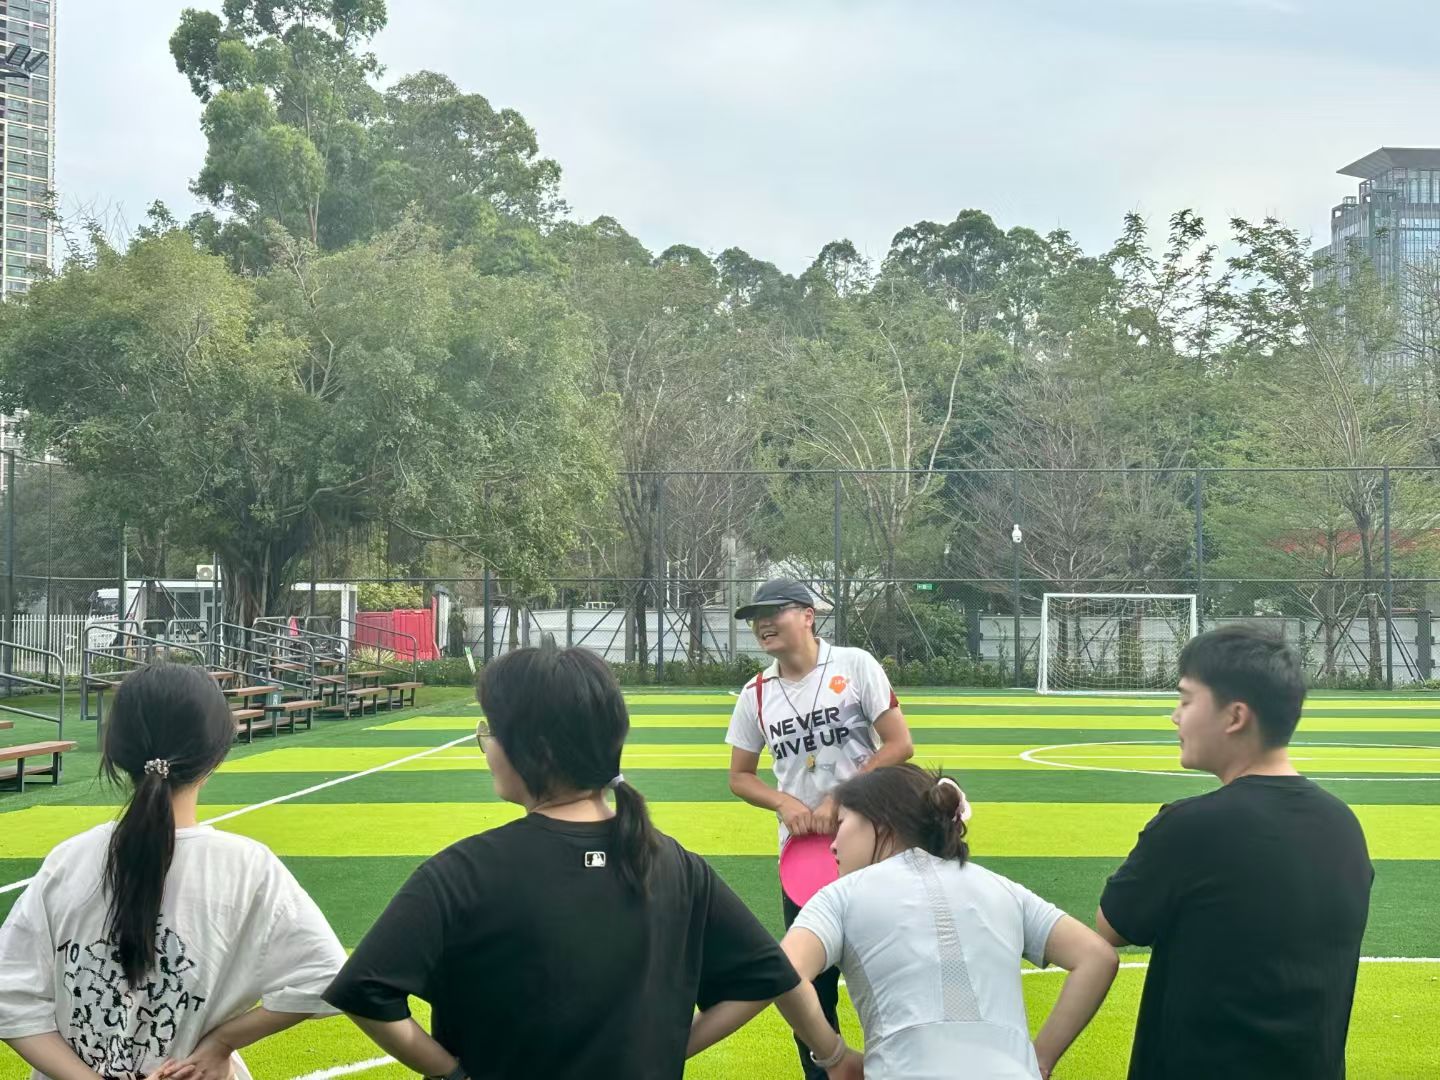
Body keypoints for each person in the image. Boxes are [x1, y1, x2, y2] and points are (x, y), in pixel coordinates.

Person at [325, 644, 860, 1080]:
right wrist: (666, 1050)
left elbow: (365, 989)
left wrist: (450, 1073)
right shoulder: (675, 864)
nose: (486, 747)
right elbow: (764, 976)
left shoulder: (464, 872)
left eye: (491, 731)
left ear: (537, 750)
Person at [0, 663, 346, 1080]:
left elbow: (10, 995)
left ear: (115, 748)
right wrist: (224, 1041)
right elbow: (328, 977)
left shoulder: (68, 860)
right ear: (217, 752)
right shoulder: (248, 868)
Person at [1096, 624, 1374, 1079]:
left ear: (1235, 716)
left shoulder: (1190, 826)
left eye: (1186, 701)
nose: (1175, 717)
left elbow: (1112, 926)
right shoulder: (1344, 824)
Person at [758, 763, 1117, 1079]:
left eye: (841, 823)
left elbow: (783, 972)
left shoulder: (840, 896)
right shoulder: (1002, 888)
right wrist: (1038, 1061)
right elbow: (1097, 957)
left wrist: (835, 1057)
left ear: (881, 822)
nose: (832, 845)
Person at [726, 577, 919, 1079]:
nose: (762, 624)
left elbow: (899, 744)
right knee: (810, 984)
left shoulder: (854, 665)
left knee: (894, 971)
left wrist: (843, 795)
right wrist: (783, 801)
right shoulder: (756, 693)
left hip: (874, 847)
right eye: (755, 618)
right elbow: (740, 776)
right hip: (804, 863)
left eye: (774, 612)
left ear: (808, 615)